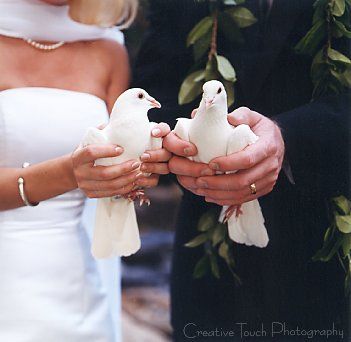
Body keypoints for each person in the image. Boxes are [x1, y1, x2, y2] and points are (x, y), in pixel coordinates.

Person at [133, 0, 350, 340]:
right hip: (213, 273)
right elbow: (154, 94)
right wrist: (174, 143)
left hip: (328, 260)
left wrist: (291, 139)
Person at [0, 0, 170, 341]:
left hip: (78, 275)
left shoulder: (109, 51)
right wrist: (68, 173)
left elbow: (119, 162)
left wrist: (142, 167)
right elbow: (79, 171)